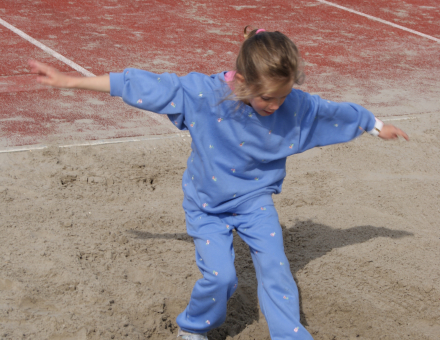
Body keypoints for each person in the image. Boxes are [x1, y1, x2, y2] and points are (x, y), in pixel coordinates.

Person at [28, 27, 408, 340]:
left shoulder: (293, 104)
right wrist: (69, 81)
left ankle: (290, 335)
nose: (276, 106)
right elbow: (141, 84)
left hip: (255, 200)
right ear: (241, 81)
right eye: (266, 97)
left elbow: (331, 112)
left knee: (275, 267)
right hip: (206, 205)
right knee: (221, 277)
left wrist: (375, 126)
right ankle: (193, 328)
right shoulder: (203, 96)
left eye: (283, 95)